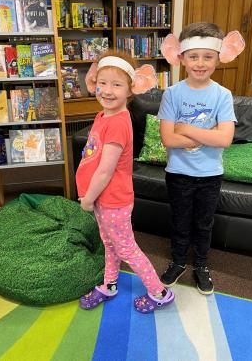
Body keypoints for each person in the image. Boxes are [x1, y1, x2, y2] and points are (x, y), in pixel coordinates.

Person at [76, 50, 175, 313]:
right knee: (109, 244)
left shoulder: (119, 123)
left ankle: (159, 292)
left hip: (112, 200)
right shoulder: (103, 116)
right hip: (100, 198)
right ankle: (109, 284)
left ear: (130, 90)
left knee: (127, 249)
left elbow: (106, 171)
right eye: (103, 83)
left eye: (116, 85)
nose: (107, 91)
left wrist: (87, 199)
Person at [157, 22, 245, 294]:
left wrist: (186, 128)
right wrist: (208, 134)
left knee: (204, 223)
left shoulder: (222, 95)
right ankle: (179, 260)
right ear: (181, 58)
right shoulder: (172, 94)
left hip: (209, 175)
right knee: (180, 220)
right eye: (193, 56)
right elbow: (168, 139)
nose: (200, 63)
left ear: (219, 58)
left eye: (208, 56)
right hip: (179, 173)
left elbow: (225, 139)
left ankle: (202, 265)